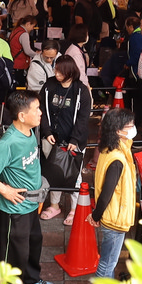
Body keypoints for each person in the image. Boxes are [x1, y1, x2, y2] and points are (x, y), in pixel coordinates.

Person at [0, 91, 55, 284]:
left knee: (34, 242)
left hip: (30, 205)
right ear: (21, 116)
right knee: (13, 255)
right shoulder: (8, 142)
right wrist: (5, 191)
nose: (40, 113)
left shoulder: (30, 132)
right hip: (14, 209)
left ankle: (30, 279)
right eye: (36, 109)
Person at [85, 108, 137, 284]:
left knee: (106, 262)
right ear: (118, 131)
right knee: (107, 264)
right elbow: (106, 194)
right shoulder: (118, 159)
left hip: (111, 216)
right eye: (129, 127)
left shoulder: (107, 150)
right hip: (114, 218)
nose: (133, 129)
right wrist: (95, 216)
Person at [38, 56, 91, 226]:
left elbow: (83, 118)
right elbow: (41, 110)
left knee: (74, 174)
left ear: (70, 72)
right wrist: (46, 131)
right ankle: (55, 205)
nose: (56, 74)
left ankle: (75, 208)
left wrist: (75, 139)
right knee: (53, 172)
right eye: (56, 70)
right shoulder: (49, 85)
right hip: (52, 139)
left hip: (73, 141)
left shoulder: (81, 91)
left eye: (60, 72)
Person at [10, 16, 39, 86]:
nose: (32, 28)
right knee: (21, 85)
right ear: (28, 24)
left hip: (14, 62)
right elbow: (27, 51)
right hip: (21, 64)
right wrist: (38, 55)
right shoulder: (24, 34)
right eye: (33, 26)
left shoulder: (15, 30)